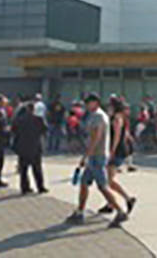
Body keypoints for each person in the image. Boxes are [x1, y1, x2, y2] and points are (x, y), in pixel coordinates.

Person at [66, 93, 127, 228]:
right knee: (84, 183)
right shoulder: (97, 116)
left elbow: (95, 138)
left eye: (89, 102)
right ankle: (80, 212)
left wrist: (86, 157)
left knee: (103, 186)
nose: (87, 105)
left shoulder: (98, 117)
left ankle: (120, 211)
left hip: (97, 156)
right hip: (95, 155)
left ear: (96, 103)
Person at [98, 96, 137, 215]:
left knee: (109, 180)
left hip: (116, 150)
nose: (108, 108)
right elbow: (126, 135)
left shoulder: (117, 118)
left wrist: (112, 151)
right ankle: (110, 203)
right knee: (108, 178)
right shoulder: (122, 117)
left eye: (110, 106)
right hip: (119, 149)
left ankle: (128, 199)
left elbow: (117, 136)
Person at [12, 101, 49, 195]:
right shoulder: (38, 119)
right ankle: (40, 187)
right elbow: (45, 129)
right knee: (37, 169)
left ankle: (25, 188)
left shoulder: (20, 119)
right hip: (35, 146)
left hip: (23, 147)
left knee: (24, 169)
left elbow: (14, 130)